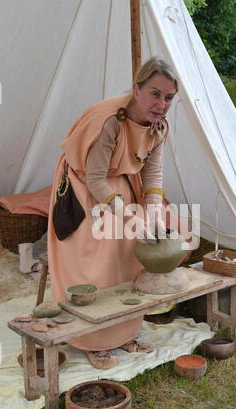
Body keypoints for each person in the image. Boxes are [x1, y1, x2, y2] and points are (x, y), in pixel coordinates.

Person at [48, 57, 194, 369]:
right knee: (95, 265)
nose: (162, 104)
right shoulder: (111, 121)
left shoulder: (159, 127)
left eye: (169, 97)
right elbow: (95, 178)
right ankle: (93, 341)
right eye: (155, 94)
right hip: (86, 187)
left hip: (123, 186)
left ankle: (122, 333)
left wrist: (152, 213)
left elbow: (152, 176)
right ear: (136, 89)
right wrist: (129, 217)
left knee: (128, 260)